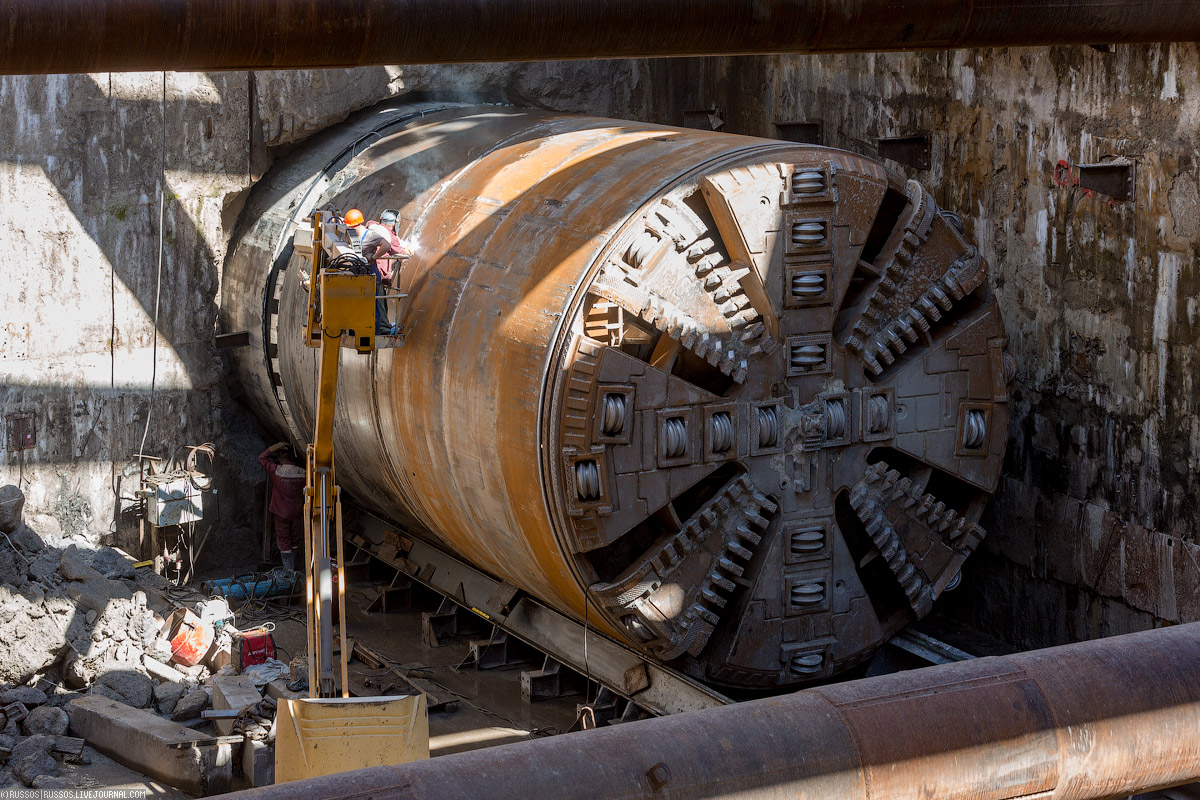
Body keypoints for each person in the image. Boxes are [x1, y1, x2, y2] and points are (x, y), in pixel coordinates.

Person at [345, 207, 413, 335]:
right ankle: (358, 328)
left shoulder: (371, 234)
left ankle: (379, 329)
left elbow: (387, 245)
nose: (350, 228)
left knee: (376, 302)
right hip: (359, 274)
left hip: (372, 273)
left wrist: (374, 257)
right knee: (362, 302)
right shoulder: (353, 234)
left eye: (351, 226)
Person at [258, 442, 305, 572]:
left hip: (281, 511)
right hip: (298, 511)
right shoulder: (304, 473)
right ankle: (296, 567)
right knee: (295, 538)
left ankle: (288, 570)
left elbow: (261, 458)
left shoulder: (277, 470)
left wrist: (276, 446)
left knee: (284, 539)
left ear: (280, 459)